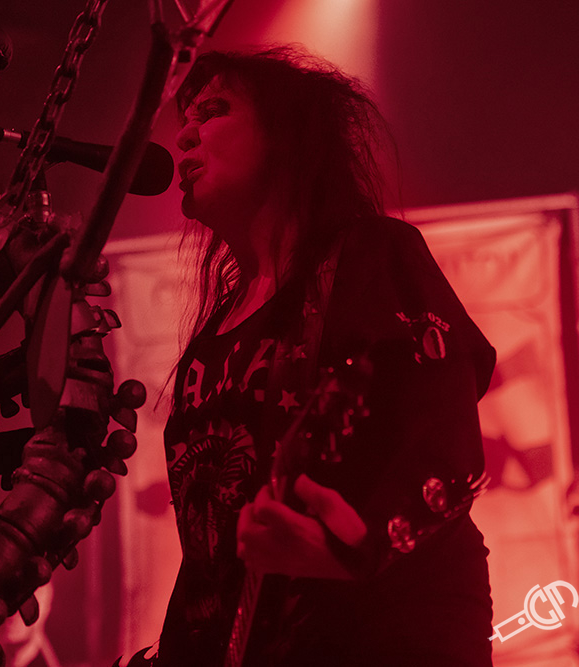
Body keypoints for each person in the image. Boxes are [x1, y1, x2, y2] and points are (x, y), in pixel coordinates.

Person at [144, 47, 495, 667]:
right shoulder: (212, 335)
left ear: (286, 136)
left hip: (386, 633)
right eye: (184, 121)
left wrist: (362, 544)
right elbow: (207, 552)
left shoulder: (371, 253)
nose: (186, 136)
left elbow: (445, 440)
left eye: (214, 111)